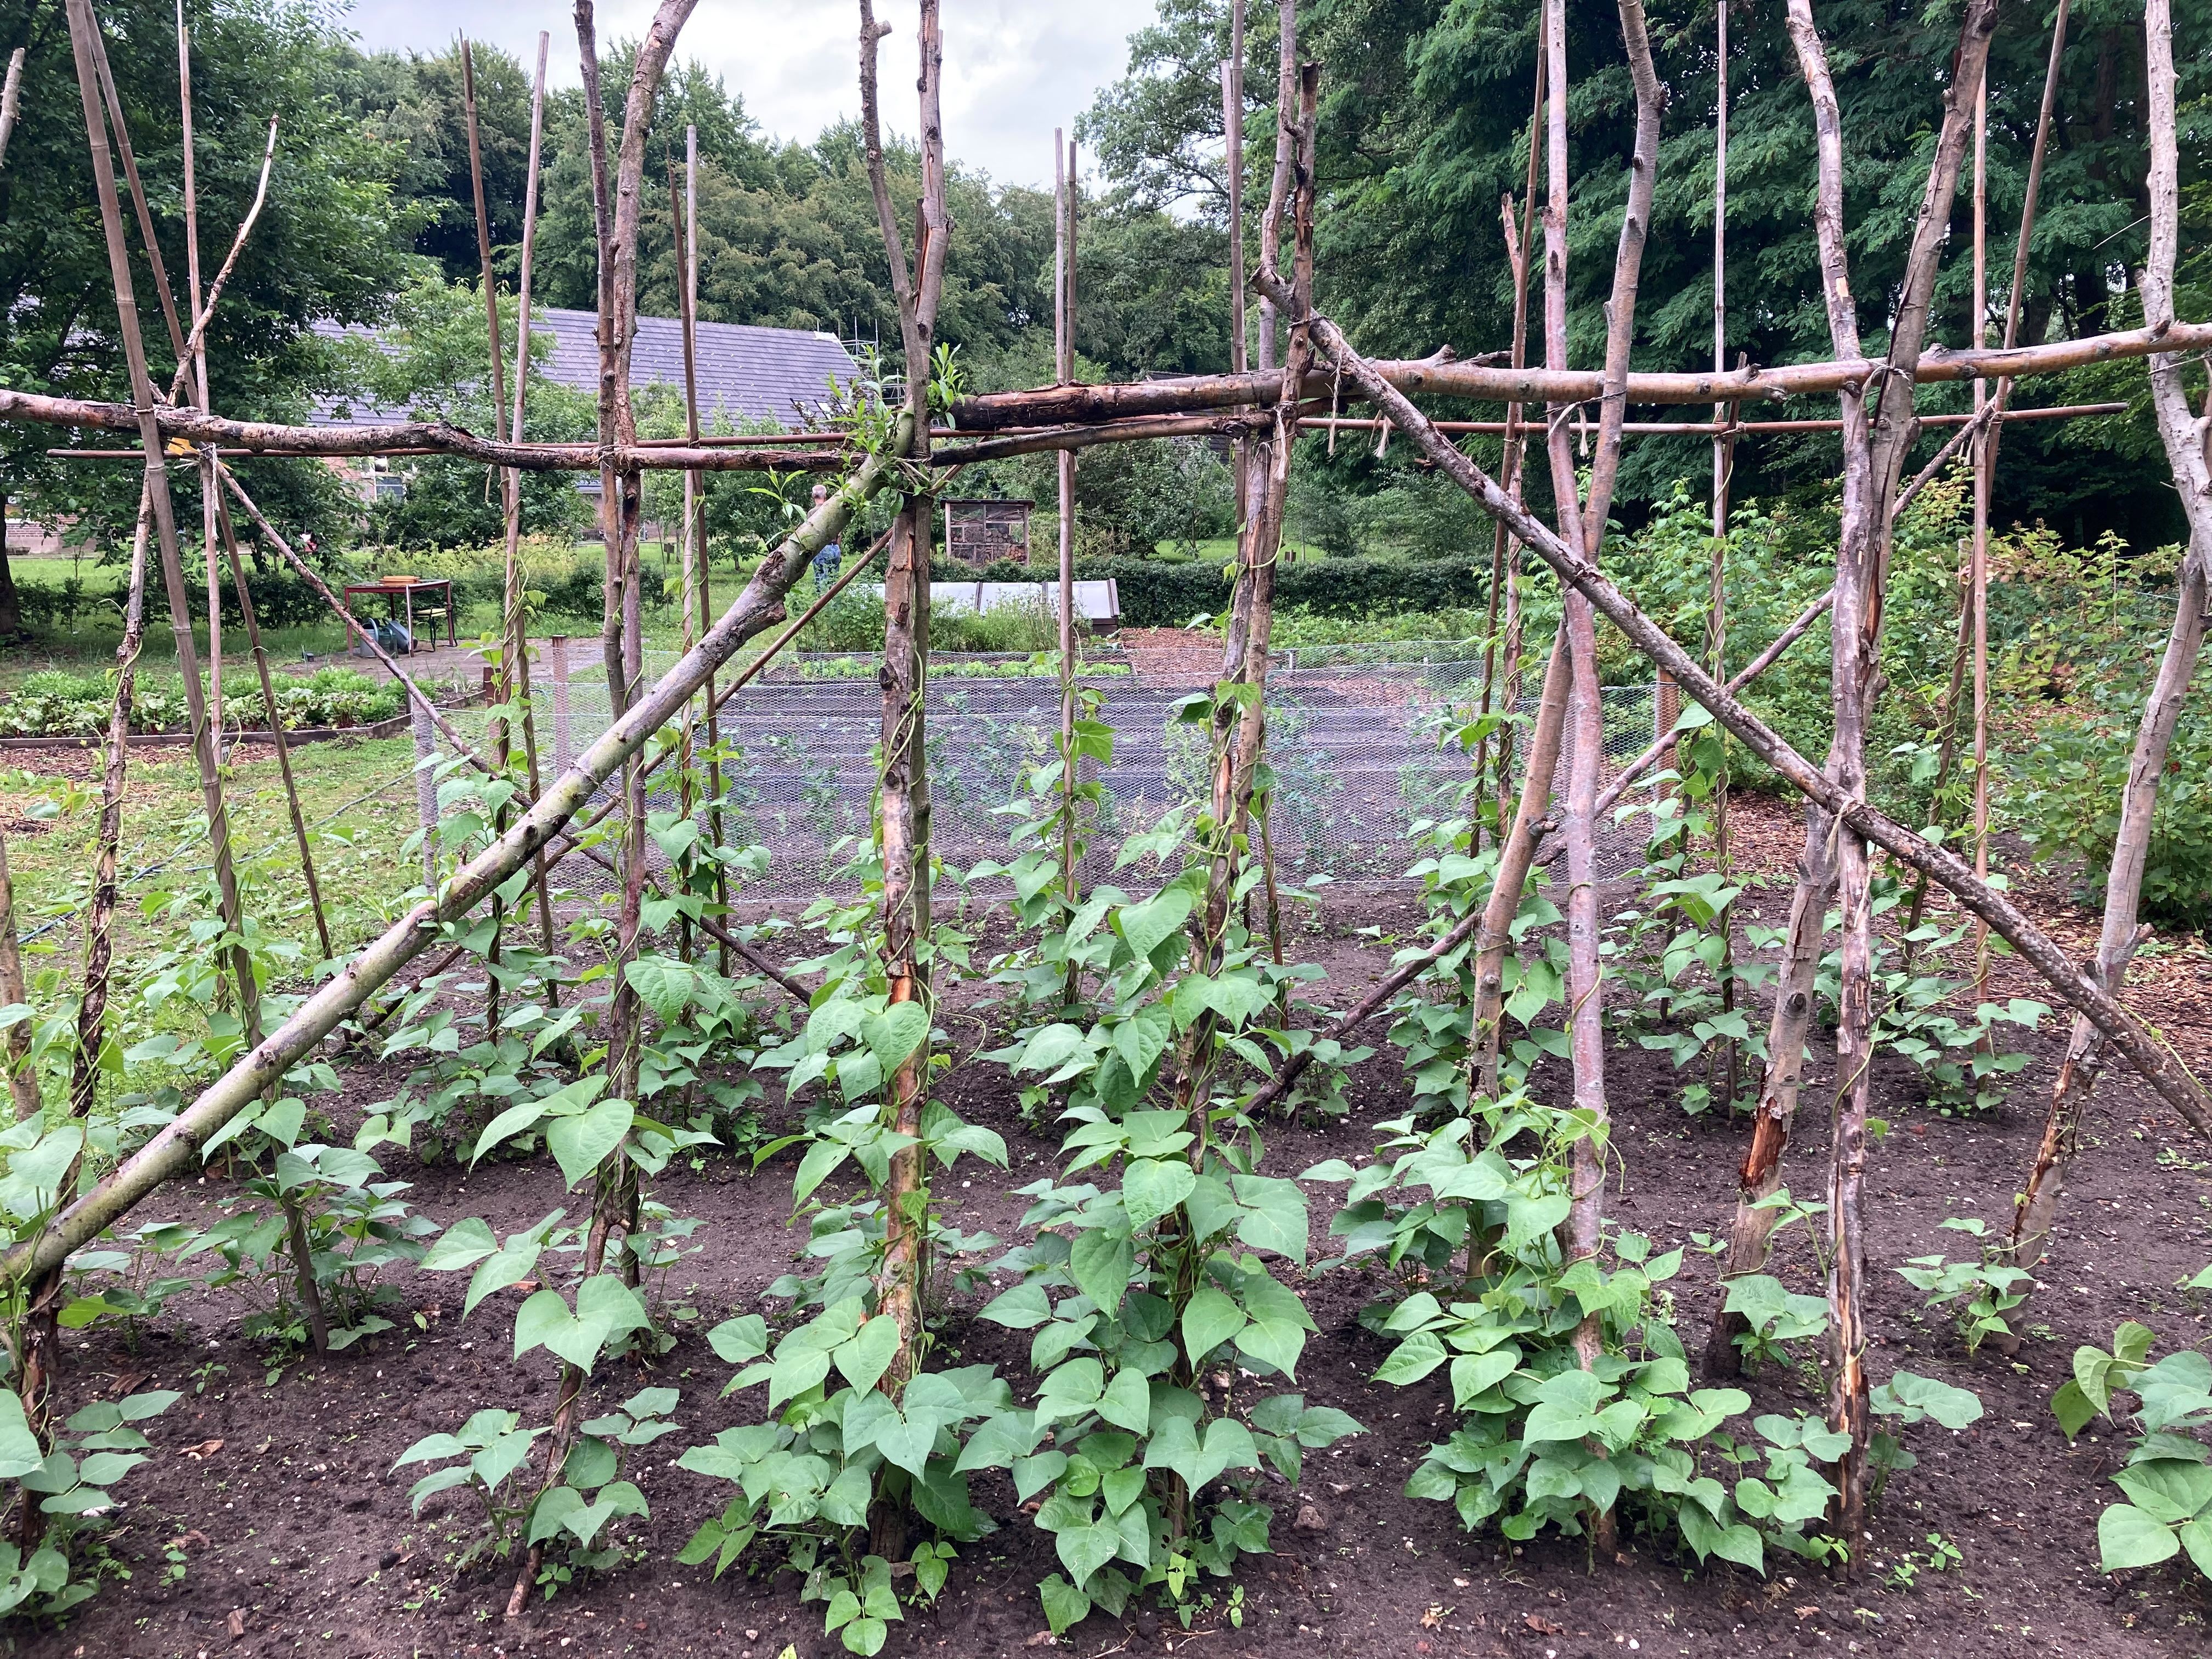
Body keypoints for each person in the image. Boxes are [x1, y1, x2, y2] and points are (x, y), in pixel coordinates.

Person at [810, 482, 841, 589]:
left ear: (813, 496)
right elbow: (839, 533)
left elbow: (811, 534)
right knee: (833, 580)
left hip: (821, 549)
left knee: (821, 580)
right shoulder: (833, 510)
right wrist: (838, 548)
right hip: (835, 549)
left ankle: (822, 603)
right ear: (826, 496)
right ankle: (834, 601)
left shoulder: (812, 513)